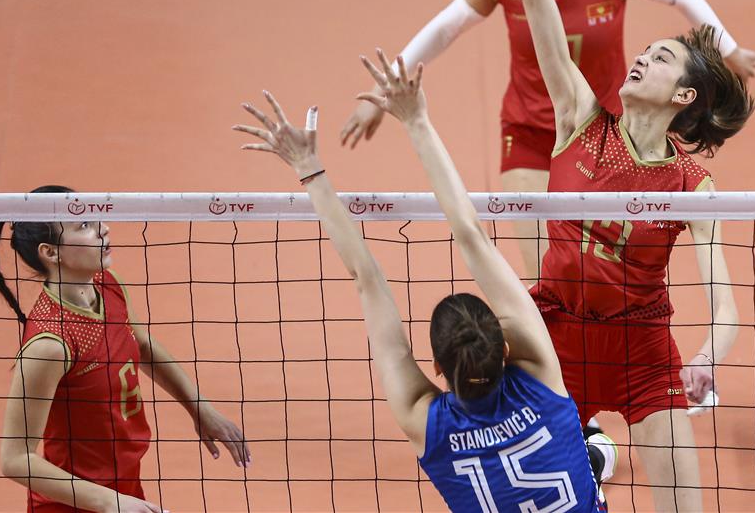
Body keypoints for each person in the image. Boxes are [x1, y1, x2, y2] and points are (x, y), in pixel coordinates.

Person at [493, 0, 753, 511]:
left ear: (683, 96)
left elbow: (726, 304)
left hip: (643, 352)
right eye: (646, 52)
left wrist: (707, 356)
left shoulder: (692, 185)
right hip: (556, 343)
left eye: (661, 59)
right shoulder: (579, 117)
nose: (641, 57)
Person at [341, 0, 755, 280]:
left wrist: (729, 48)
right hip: (528, 132)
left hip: (603, 133)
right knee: (544, 272)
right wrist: (384, 93)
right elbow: (445, 28)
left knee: (600, 267)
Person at [234, 68, 610, 512]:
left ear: (436, 367)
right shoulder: (539, 375)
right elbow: (471, 235)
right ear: (505, 349)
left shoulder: (426, 421)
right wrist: (417, 120)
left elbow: (366, 280)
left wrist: (308, 168)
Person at [0, 187, 249, 513]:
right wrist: (112, 503)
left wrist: (199, 407)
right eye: (84, 226)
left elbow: (142, 345)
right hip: (74, 503)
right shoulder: (50, 345)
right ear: (50, 252)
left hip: (124, 487)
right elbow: (15, 459)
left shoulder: (108, 284)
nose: (103, 229)